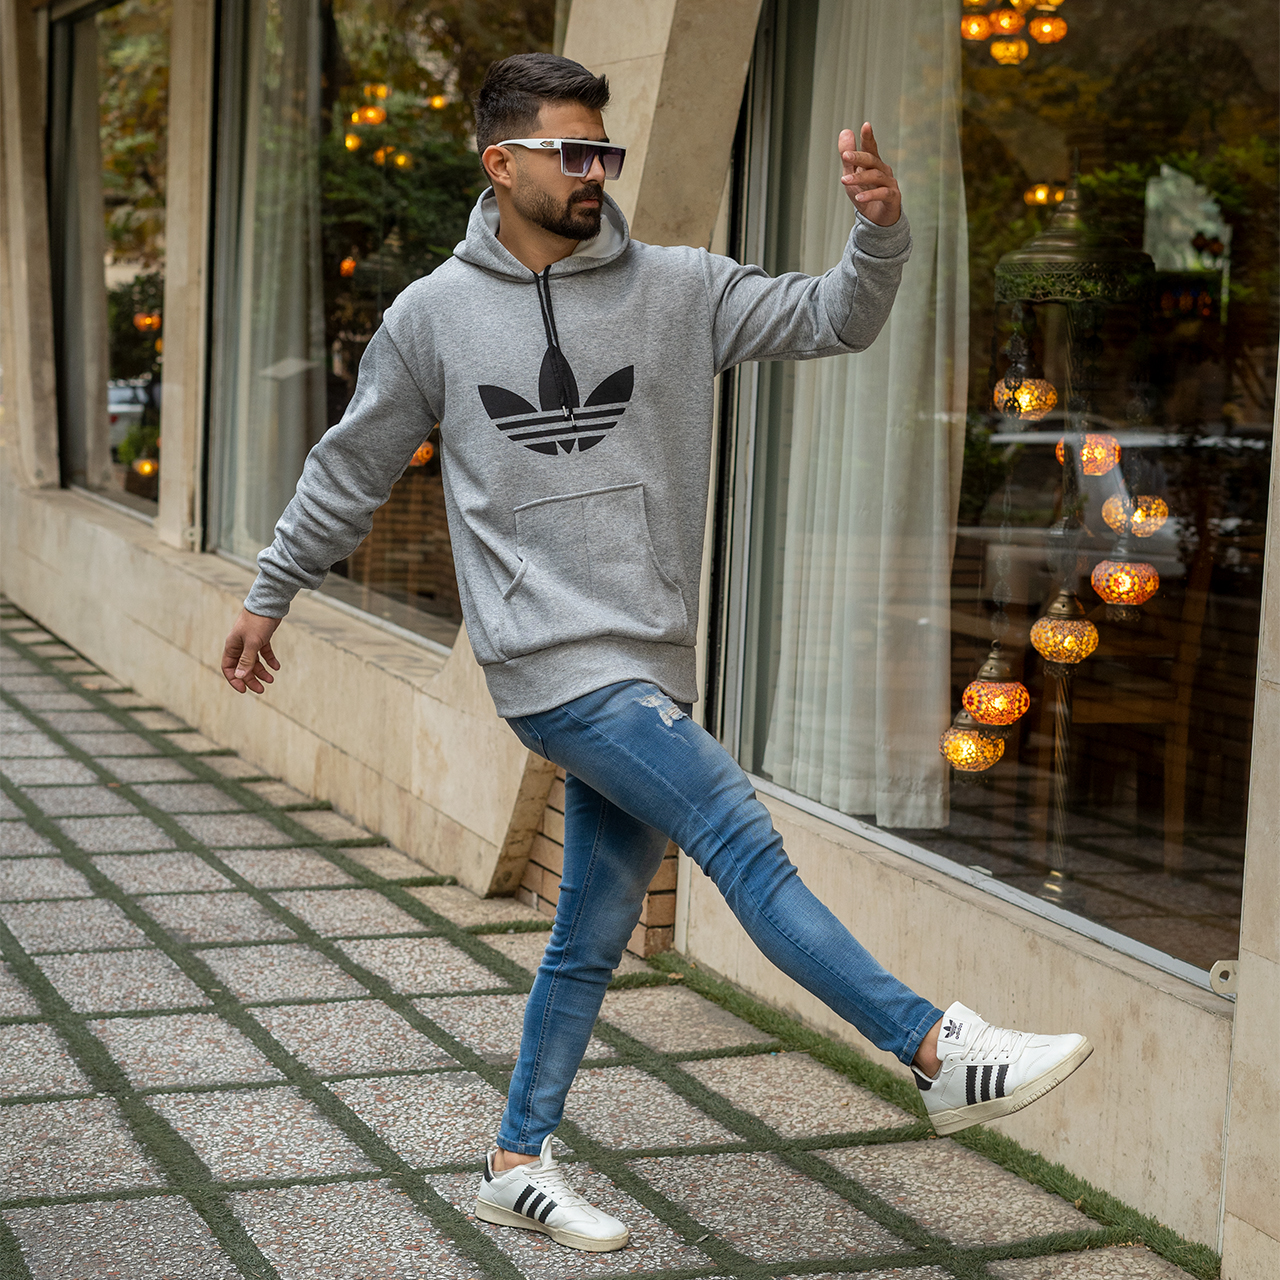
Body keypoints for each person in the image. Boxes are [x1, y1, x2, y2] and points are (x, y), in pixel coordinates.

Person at [222, 52, 1092, 1256]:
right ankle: (935, 1049)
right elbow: (350, 468)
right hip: (548, 662)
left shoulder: (679, 287)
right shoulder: (432, 316)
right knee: (736, 832)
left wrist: (879, 234)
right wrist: (270, 593)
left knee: (587, 933)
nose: (595, 173)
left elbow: (833, 316)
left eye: (605, 151)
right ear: (500, 162)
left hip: (647, 657)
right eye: (571, 152)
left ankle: (514, 1159)